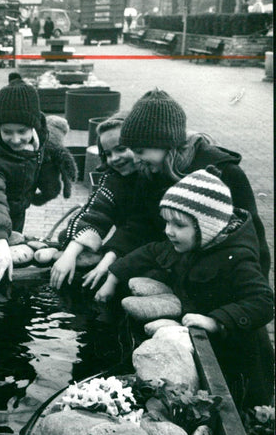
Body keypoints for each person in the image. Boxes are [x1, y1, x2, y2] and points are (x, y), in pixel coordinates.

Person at [95, 168, 274, 410]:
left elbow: (264, 301)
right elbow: (149, 252)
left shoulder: (238, 258)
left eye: (178, 224)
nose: (169, 230)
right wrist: (113, 277)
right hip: (206, 347)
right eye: (167, 222)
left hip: (240, 360)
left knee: (242, 411)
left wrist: (216, 321)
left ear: (207, 226)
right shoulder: (190, 244)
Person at [118, 88, 270, 274]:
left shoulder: (225, 173)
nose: (135, 159)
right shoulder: (149, 172)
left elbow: (252, 236)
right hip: (171, 266)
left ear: (166, 143)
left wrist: (257, 285)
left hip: (216, 275)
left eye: (140, 151)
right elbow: (139, 223)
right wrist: (112, 259)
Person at [0, 79, 77, 284]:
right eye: (7, 132)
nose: (15, 139)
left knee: (15, 239)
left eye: (22, 131)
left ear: (34, 126)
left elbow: (46, 166)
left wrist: (48, 190)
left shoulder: (41, 140)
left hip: (18, 198)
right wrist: (0, 245)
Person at [50, 116, 155, 290]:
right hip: (127, 249)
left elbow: (138, 227)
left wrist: (108, 261)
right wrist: (70, 253)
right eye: (107, 154)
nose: (114, 158)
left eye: (121, 149)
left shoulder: (153, 179)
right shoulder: (113, 180)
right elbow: (95, 214)